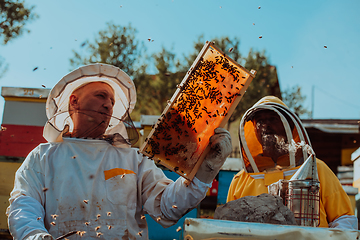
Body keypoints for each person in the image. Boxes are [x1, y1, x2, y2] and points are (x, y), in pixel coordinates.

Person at [7, 63, 232, 239]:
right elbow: (24, 205)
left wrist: (205, 171)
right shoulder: (43, 157)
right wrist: (34, 236)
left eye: (112, 101)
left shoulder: (132, 159)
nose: (108, 105)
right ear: (73, 102)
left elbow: (168, 209)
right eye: (101, 96)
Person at [227, 96, 357, 229]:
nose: (265, 125)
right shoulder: (240, 180)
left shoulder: (316, 169)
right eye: (259, 121)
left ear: (288, 125)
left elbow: (344, 219)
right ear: (254, 129)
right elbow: (227, 228)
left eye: (273, 119)